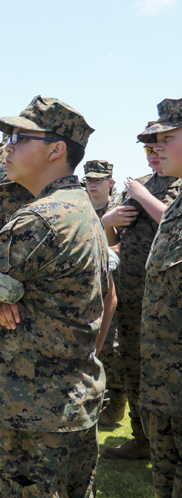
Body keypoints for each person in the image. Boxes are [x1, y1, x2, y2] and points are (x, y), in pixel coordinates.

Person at [0, 95, 108, 497]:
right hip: (71, 401)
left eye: (20, 138)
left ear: (56, 150)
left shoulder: (39, 218)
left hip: (29, 410)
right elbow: (107, 300)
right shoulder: (82, 210)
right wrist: (4, 297)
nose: (7, 147)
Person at [100, 138, 180, 460]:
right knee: (132, 366)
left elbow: (173, 223)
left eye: (160, 147)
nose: (154, 154)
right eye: (148, 149)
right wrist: (108, 224)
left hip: (167, 300)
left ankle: (167, 446)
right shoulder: (138, 185)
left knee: (166, 372)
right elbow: (116, 241)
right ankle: (142, 439)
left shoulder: (171, 186)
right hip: (131, 295)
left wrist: (143, 196)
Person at [137, 97, 182, 498]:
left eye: (167, 138)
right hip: (165, 385)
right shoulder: (175, 208)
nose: (156, 147)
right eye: (153, 141)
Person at [82, 160, 125, 427]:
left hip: (115, 287)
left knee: (110, 347)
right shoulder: (81, 208)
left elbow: (118, 248)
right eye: (89, 179)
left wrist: (106, 223)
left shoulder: (118, 209)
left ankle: (117, 402)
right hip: (86, 289)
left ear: (110, 182)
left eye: (99, 179)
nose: (93, 184)